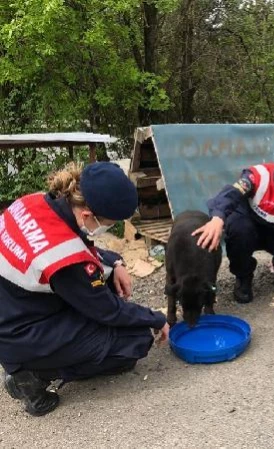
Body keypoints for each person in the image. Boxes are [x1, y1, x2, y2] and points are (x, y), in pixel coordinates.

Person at [0, 162, 169, 416]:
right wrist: (155, 318)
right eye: (110, 223)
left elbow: (75, 242)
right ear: (87, 215)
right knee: (136, 341)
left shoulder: (34, 202)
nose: (109, 228)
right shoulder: (63, 260)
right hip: (23, 333)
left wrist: (115, 261)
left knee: (107, 281)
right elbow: (109, 311)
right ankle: (32, 375)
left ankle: (32, 363)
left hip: (15, 309)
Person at [193, 148, 274, 303]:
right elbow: (231, 194)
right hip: (252, 230)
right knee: (238, 228)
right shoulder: (257, 176)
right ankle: (243, 278)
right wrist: (217, 217)